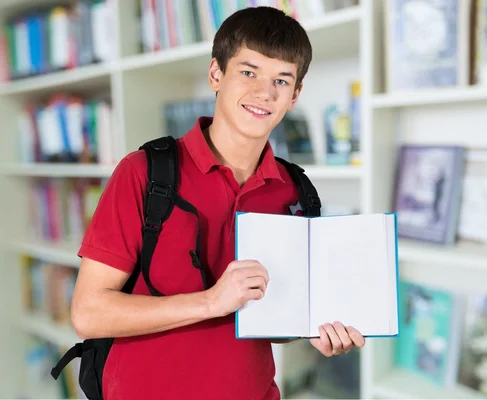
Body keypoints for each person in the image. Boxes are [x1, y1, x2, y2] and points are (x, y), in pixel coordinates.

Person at [70, 6, 365, 400]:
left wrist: (310, 328)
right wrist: (210, 302)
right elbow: (88, 314)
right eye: (248, 72)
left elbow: (271, 317)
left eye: (281, 79)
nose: (264, 92)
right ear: (216, 75)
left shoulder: (295, 191)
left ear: (294, 96)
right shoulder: (143, 172)